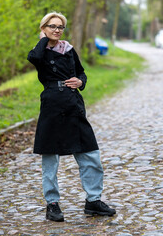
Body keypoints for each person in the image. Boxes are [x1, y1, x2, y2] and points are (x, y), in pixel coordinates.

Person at [27, 12, 116, 222]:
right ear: (44, 28)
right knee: (50, 159)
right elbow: (35, 59)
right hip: (52, 107)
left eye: (60, 27)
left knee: (91, 154)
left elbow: (82, 73)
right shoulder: (39, 51)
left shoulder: (68, 49)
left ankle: (93, 201)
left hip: (73, 106)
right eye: (52, 26)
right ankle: (53, 204)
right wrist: (43, 40)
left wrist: (80, 82)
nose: (57, 30)